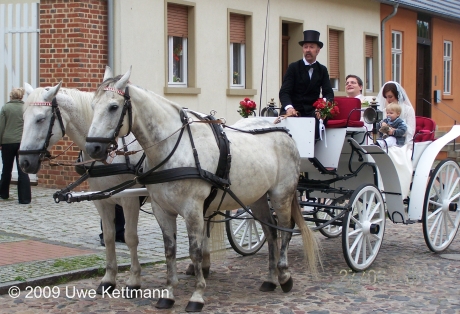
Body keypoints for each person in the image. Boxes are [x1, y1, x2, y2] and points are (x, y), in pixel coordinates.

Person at [279, 30, 334, 140]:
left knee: (321, 119)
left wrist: (323, 108)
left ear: (318, 50)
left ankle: (314, 150)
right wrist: (289, 108)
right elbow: (284, 92)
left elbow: (328, 93)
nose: (308, 50)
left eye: (311, 47)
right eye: (305, 47)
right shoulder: (293, 67)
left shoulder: (322, 70)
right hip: (294, 110)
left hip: (312, 111)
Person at [0, 87, 31, 204]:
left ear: (11, 96)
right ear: (21, 96)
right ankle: (25, 198)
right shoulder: (26, 108)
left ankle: (3, 193)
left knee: (6, 169)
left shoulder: (6, 108)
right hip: (22, 142)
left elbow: (1, 126)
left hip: (7, 142)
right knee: (23, 170)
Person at [376, 81, 416, 146]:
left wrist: (394, 131)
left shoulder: (408, 110)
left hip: (402, 141)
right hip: (386, 139)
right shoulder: (385, 110)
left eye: (390, 97)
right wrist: (382, 125)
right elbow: (379, 127)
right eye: (386, 97)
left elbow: (411, 131)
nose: (388, 100)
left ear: (397, 95)